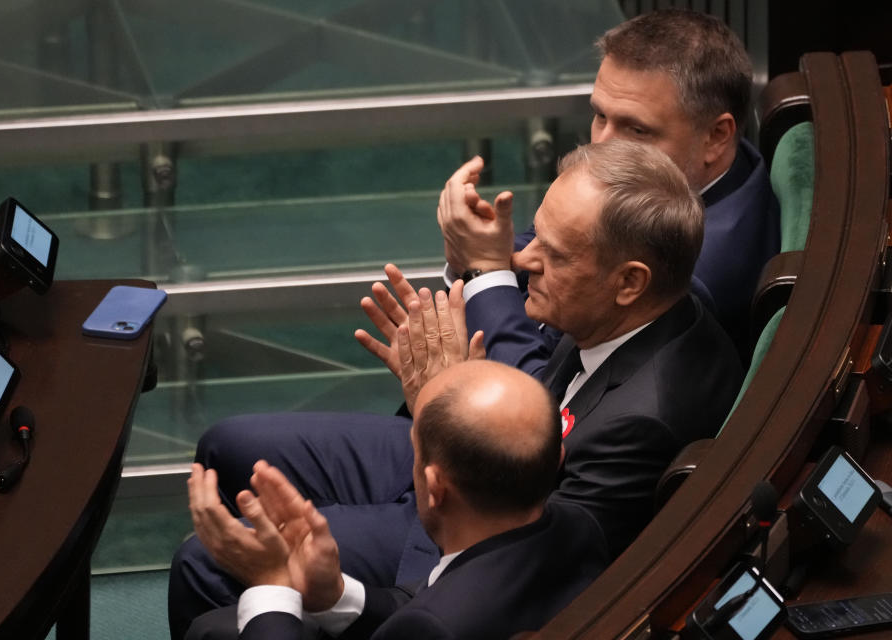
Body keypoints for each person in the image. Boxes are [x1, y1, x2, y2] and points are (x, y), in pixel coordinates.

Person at [168, 139, 744, 638]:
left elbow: (511, 548)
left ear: (628, 283)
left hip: (466, 504)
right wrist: (447, 394)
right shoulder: (644, 305)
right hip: (461, 461)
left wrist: (444, 405)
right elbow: (540, 388)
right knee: (227, 445)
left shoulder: (643, 420)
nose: (523, 258)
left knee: (204, 563)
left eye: (553, 254)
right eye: (535, 235)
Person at [182, 360, 609, 639]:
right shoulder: (580, 526)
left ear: (434, 487)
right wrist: (333, 593)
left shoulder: (429, 629)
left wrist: (272, 584)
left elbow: (429, 613)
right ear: (557, 459)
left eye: (414, 450)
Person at [440, 9, 779, 360]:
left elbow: (549, 398)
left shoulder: (693, 280)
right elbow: (554, 243)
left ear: (716, 136)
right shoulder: (724, 166)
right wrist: (482, 249)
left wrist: (484, 271)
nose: (601, 144)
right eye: (600, 115)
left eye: (637, 130)